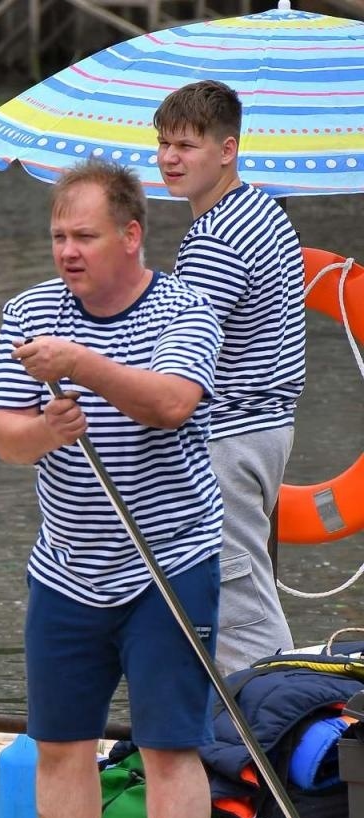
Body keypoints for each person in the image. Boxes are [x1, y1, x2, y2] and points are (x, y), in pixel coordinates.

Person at [0, 160, 225, 818]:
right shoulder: (29, 312)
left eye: (84, 236)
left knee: (168, 748)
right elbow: (5, 436)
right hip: (65, 570)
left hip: (169, 563)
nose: (67, 252)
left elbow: (171, 403)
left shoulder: (184, 308)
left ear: (131, 235)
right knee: (59, 745)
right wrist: (45, 432)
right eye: (58, 236)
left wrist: (82, 364)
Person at [155, 80, 305, 673]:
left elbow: (183, 348)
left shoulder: (215, 236)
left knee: (238, 607)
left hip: (228, 437)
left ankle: (280, 717)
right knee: (236, 590)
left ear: (227, 150)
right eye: (164, 144)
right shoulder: (264, 211)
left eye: (186, 146)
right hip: (267, 430)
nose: (170, 158)